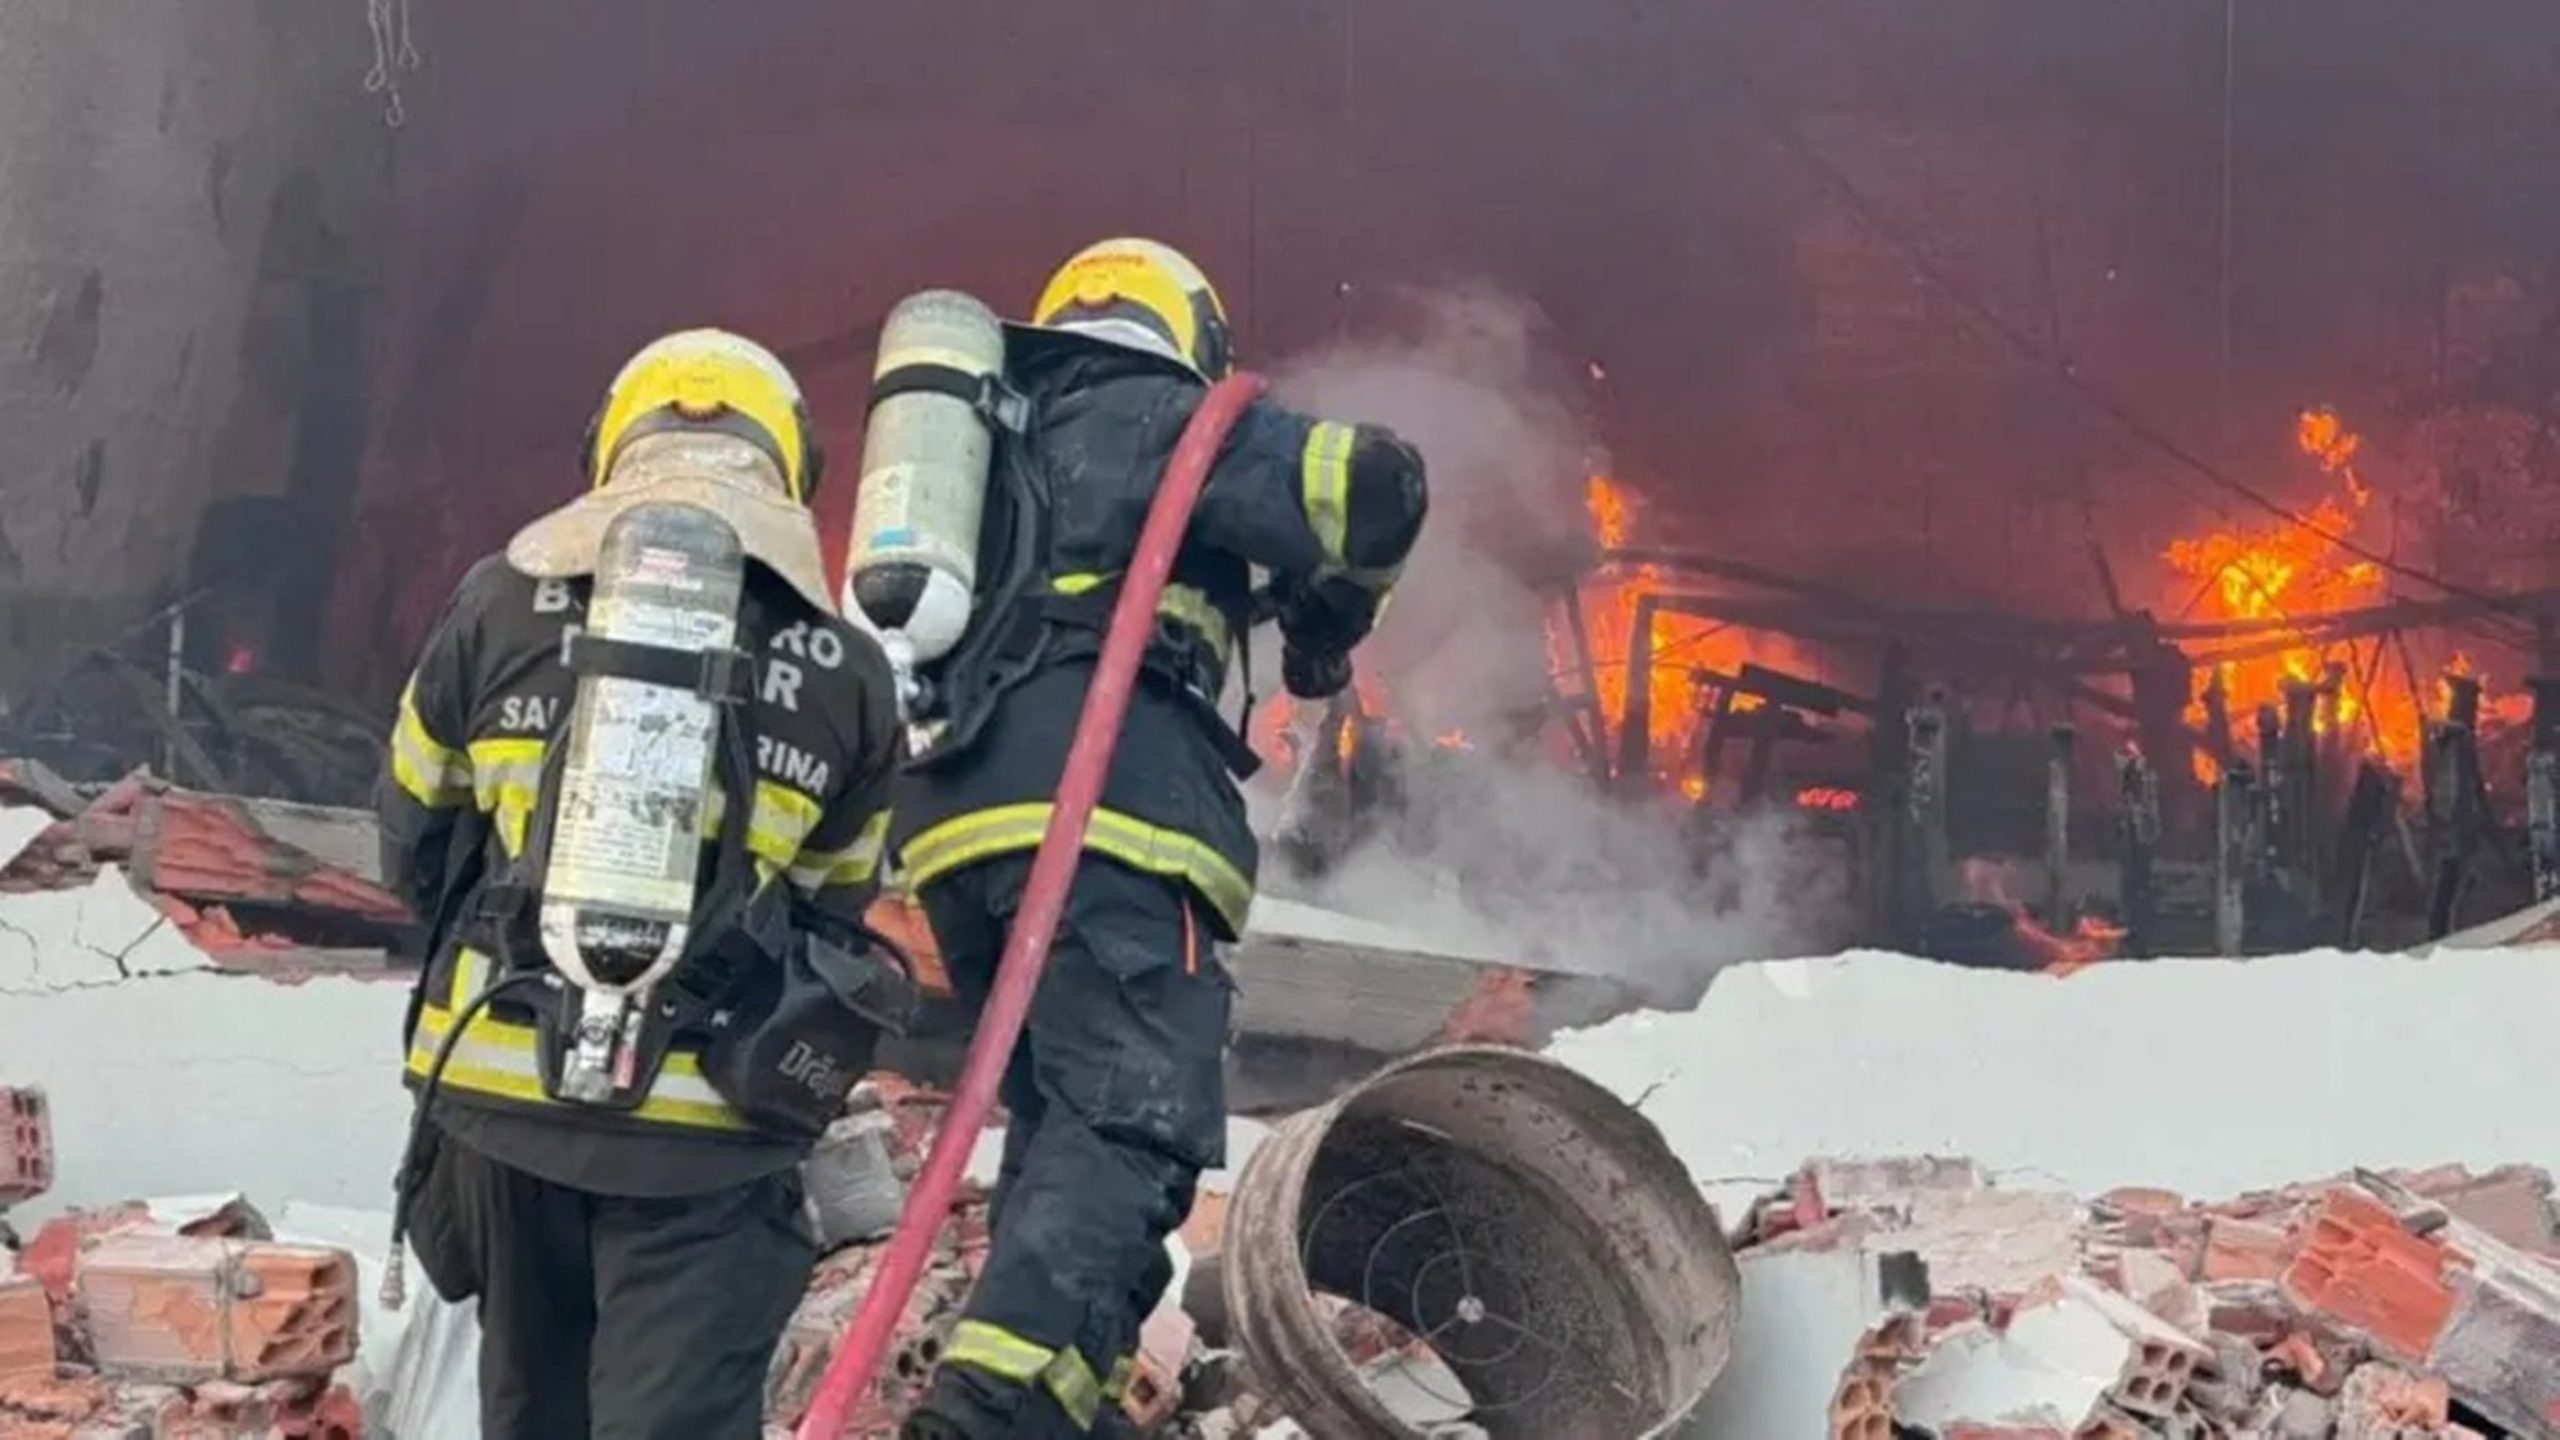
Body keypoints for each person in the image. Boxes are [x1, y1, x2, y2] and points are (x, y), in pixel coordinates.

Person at [892, 238, 1430, 1438]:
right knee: (1131, 1121)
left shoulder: (978, 452)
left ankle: (1055, 1410)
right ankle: (992, 1415)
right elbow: (1380, 489)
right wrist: (1328, 619)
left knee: (1062, 1120)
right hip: (1111, 817)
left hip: (956, 830)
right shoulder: (1161, 415)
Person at [376, 328, 908, 1439]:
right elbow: (832, 912)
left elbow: (414, 844)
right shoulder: (846, 671)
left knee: (532, 1416)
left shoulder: (494, 604)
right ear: (791, 470)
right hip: (703, 1132)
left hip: (502, 1102)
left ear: (611, 449)